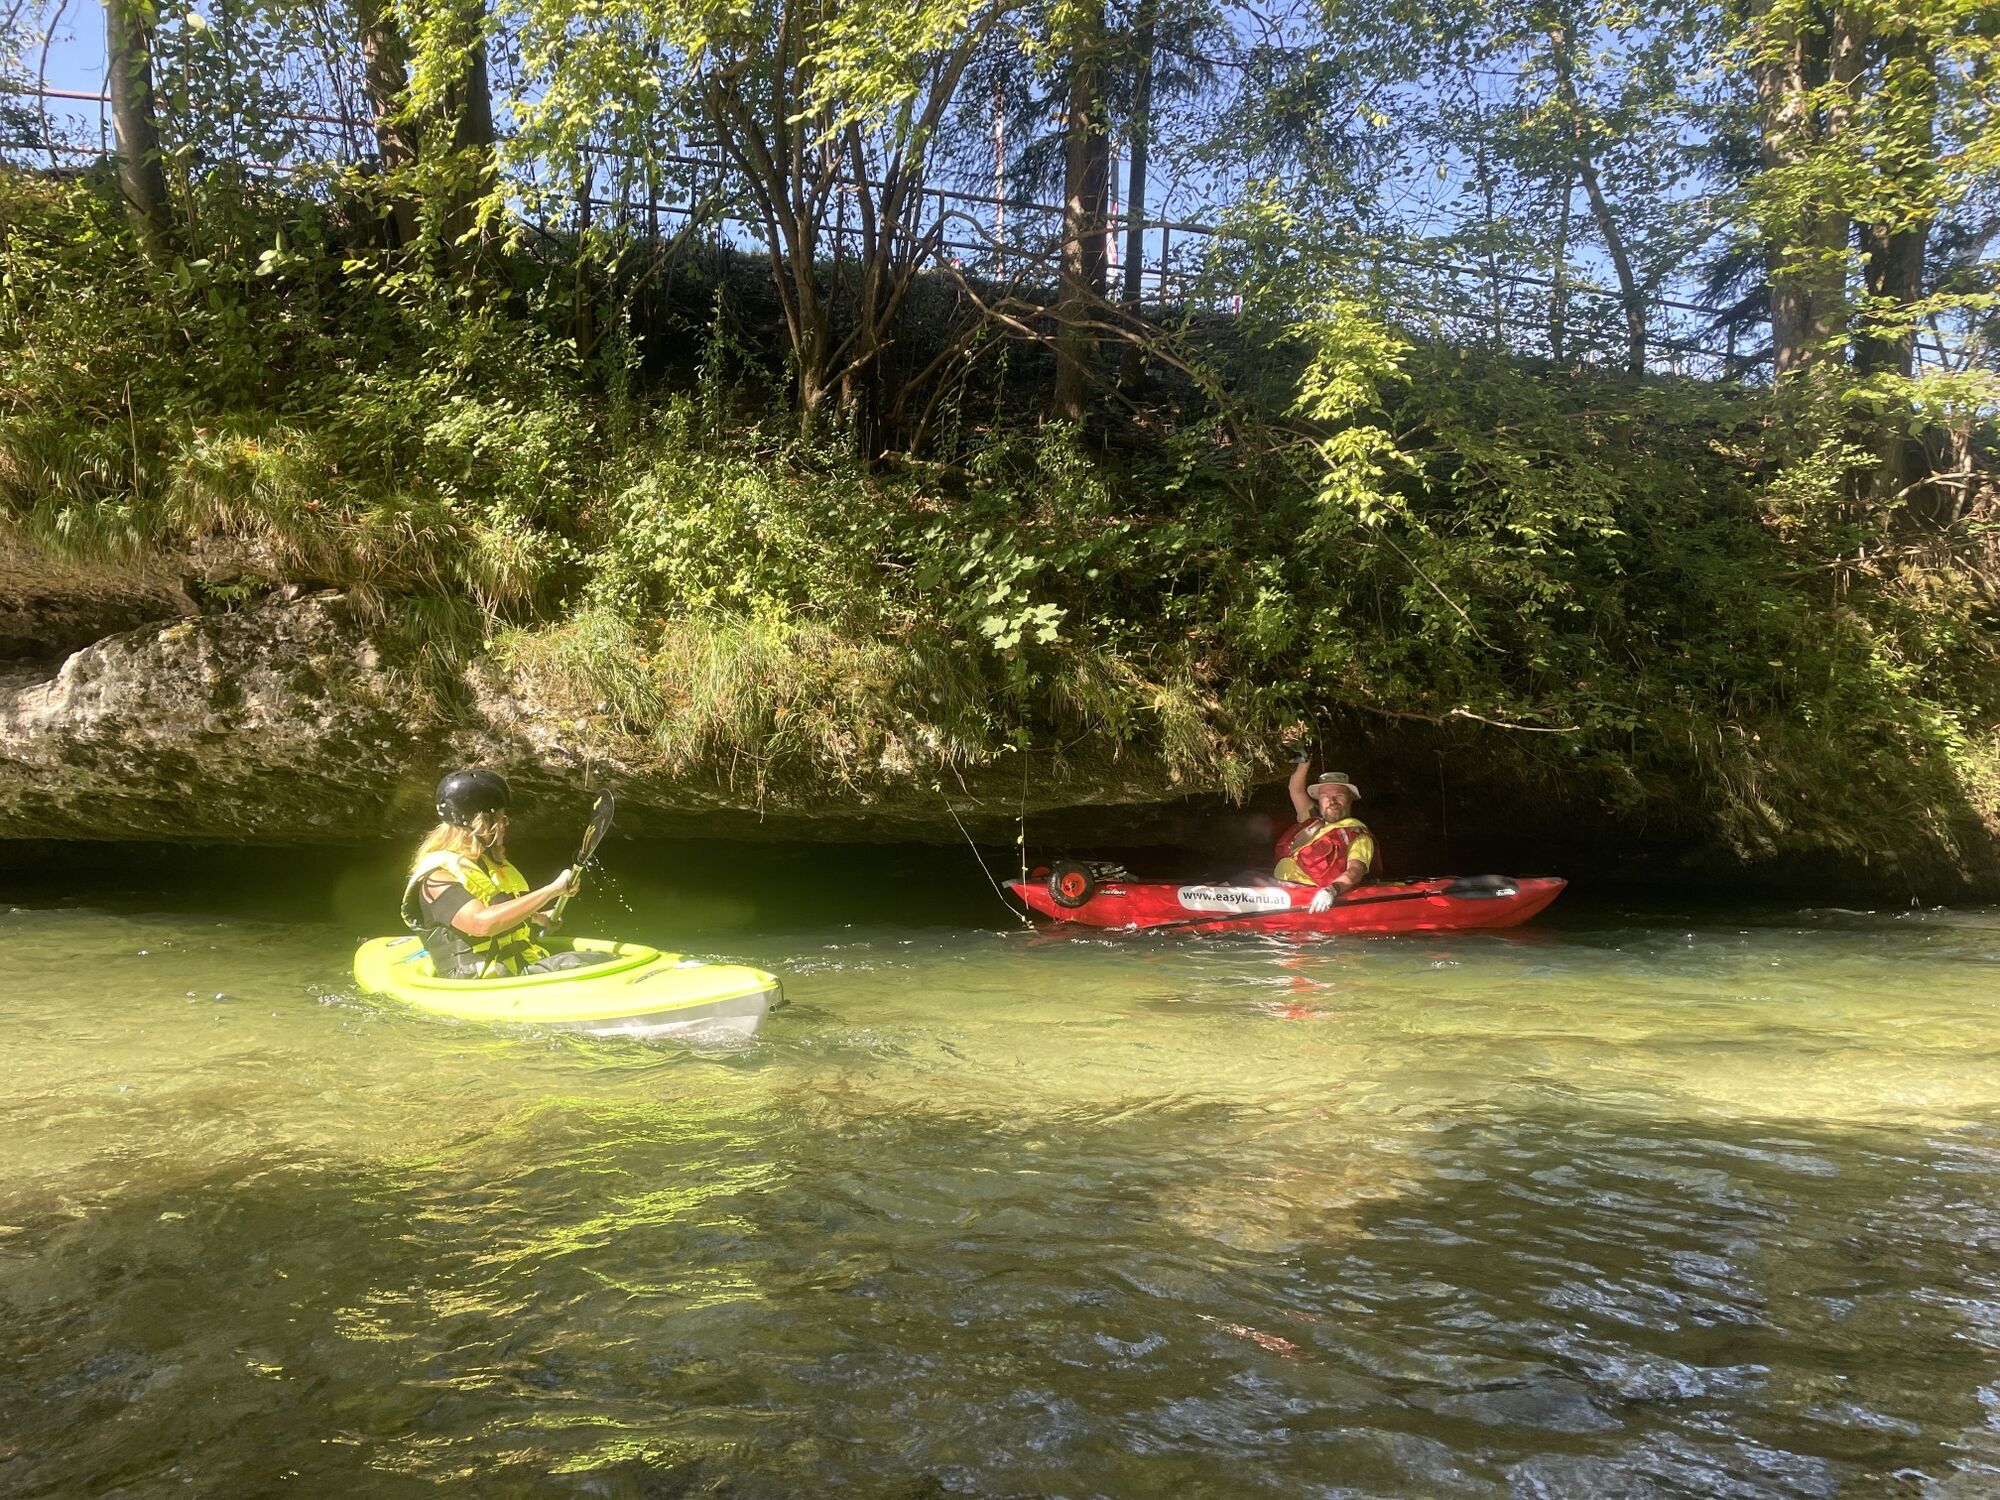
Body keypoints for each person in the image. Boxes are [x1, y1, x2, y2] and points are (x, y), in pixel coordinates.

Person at [401, 769, 607, 978]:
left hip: (516, 968)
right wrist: (551, 890)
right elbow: (482, 923)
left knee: (599, 959)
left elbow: (496, 906)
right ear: (480, 822)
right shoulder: (437, 877)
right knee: (585, 963)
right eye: (501, 818)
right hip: (476, 980)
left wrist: (538, 918)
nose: (505, 825)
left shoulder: (485, 864)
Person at [1273, 753, 1377, 912]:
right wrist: (1304, 762)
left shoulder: (1358, 834)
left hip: (1306, 894)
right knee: (1243, 877)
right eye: (1325, 796)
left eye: (1339, 796)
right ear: (1319, 800)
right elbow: (1295, 790)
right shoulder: (1312, 819)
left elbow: (1355, 871)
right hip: (1279, 886)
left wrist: (1331, 891)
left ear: (1349, 799)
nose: (1332, 801)